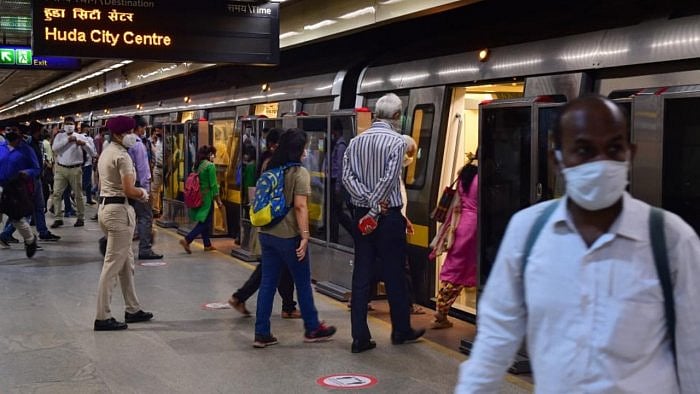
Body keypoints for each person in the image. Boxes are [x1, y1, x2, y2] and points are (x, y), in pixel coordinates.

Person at [455, 95, 700, 393]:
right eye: (583, 150)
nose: (600, 162)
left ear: (630, 154)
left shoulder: (670, 239)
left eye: (613, 148)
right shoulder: (528, 232)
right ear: (556, 160)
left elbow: (693, 351)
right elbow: (495, 341)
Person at [342, 93, 425, 354]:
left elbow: (347, 177)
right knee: (394, 273)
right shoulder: (396, 142)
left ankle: (359, 336)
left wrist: (366, 203)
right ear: (398, 117)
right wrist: (377, 207)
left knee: (362, 273)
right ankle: (401, 330)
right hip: (388, 217)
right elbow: (390, 179)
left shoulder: (356, 142)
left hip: (361, 215)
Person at [252, 128, 336, 348]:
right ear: (298, 149)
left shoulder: (270, 167)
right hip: (289, 237)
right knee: (303, 283)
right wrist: (305, 236)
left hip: (267, 234)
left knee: (268, 283)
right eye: (305, 147)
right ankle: (312, 328)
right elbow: (300, 206)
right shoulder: (299, 173)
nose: (307, 151)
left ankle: (261, 332)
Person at [229, 128, 301, 319]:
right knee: (270, 269)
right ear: (274, 145)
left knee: (280, 269)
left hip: (270, 222)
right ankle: (242, 299)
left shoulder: (269, 162)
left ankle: (287, 306)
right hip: (275, 224)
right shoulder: (275, 165)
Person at [94, 116, 153, 331]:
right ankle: (102, 316)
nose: (134, 135)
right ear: (119, 134)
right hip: (119, 212)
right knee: (112, 265)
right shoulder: (122, 156)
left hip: (105, 208)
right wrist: (143, 193)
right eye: (129, 131)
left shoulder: (106, 152)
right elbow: (129, 189)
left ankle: (133, 309)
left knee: (126, 263)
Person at [429, 161, 478, 329]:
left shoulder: (466, 175)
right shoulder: (482, 178)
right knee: (464, 269)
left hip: (459, 224)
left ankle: (441, 312)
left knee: (454, 266)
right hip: (474, 226)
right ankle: (441, 313)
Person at [0, 128, 39, 257]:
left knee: (17, 218)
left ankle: (30, 239)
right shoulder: (1, 147)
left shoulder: (26, 150)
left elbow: (36, 168)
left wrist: (26, 173)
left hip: (14, 188)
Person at [129, 115, 162, 260]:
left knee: (127, 217)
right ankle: (145, 249)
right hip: (138, 186)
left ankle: (109, 244)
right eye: (144, 128)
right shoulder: (138, 144)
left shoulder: (125, 143)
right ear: (139, 128)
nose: (144, 131)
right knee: (145, 217)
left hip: (127, 184)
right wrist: (146, 190)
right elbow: (142, 169)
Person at [179, 146, 223, 253]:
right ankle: (187, 239)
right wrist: (218, 200)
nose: (214, 156)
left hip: (199, 196)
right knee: (206, 222)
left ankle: (207, 244)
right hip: (207, 197)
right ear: (209, 154)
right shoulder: (210, 166)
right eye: (213, 154)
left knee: (204, 220)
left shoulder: (198, 165)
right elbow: (213, 185)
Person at [50, 116, 88, 228]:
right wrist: (67, 140)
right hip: (61, 169)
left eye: (71, 123)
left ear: (75, 125)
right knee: (56, 193)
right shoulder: (59, 136)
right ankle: (58, 218)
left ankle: (81, 217)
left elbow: (91, 151)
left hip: (75, 169)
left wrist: (83, 144)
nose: (69, 125)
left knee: (78, 194)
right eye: (66, 123)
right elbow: (54, 148)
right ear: (63, 125)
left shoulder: (80, 137)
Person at [329, 125, 354, 244]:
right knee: (336, 211)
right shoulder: (337, 145)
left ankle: (334, 237)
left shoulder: (341, 146)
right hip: (333, 182)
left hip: (336, 182)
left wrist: (338, 186)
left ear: (337, 131)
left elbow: (340, 168)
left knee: (336, 212)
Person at [78, 124, 97, 205]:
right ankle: (74, 194)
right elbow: (92, 150)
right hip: (87, 163)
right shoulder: (89, 139)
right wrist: (96, 156)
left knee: (85, 182)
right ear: (85, 129)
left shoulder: (77, 137)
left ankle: (89, 198)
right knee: (86, 182)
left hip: (78, 163)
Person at [150, 126, 163, 217]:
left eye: (159, 131)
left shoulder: (168, 140)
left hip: (166, 168)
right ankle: (155, 209)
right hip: (157, 167)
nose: (157, 133)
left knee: (165, 191)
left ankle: (162, 209)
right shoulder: (157, 141)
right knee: (154, 189)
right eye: (156, 131)